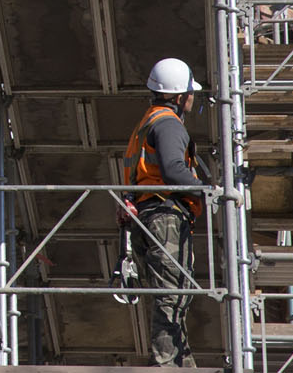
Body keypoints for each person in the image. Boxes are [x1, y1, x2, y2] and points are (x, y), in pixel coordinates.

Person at [120, 57, 209, 367]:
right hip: (165, 217)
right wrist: (207, 191)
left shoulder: (148, 121)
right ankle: (168, 364)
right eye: (190, 93)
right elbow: (172, 170)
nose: (193, 98)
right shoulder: (168, 124)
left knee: (170, 297)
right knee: (171, 297)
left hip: (148, 216)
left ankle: (179, 362)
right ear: (178, 95)